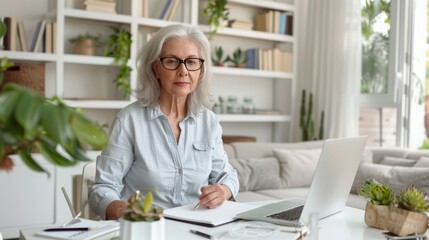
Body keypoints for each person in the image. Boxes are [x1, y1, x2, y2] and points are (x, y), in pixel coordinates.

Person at [88, 24, 239, 220]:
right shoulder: (129, 121)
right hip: (146, 228)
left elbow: (227, 176)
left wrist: (224, 190)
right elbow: (102, 188)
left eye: (192, 62)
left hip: (196, 229)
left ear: (200, 70)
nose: (183, 71)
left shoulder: (209, 122)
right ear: (155, 69)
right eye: (172, 61)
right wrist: (120, 209)